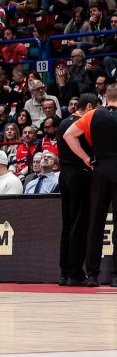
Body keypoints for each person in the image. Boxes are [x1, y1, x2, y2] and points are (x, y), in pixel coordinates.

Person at [63, 83, 117, 287]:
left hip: (100, 168)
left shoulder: (92, 115)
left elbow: (69, 135)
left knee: (96, 222)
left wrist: (86, 158)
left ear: (105, 98)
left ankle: (92, 274)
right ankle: (116, 276)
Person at [56, 93, 97, 286]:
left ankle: (64, 272)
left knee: (67, 224)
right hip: (79, 174)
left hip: (64, 175)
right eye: (95, 109)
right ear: (88, 106)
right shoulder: (83, 124)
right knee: (79, 225)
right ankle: (75, 273)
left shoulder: (64, 122)